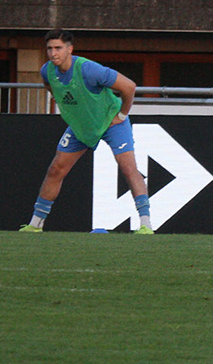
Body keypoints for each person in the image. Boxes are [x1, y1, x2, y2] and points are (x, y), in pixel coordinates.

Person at [20, 29, 153, 234]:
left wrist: (122, 115)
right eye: (49, 48)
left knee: (128, 170)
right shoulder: (47, 71)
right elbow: (51, 86)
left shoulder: (89, 70)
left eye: (58, 48)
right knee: (56, 170)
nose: (53, 53)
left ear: (70, 49)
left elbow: (129, 86)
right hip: (82, 126)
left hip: (111, 123)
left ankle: (146, 225)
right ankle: (35, 225)